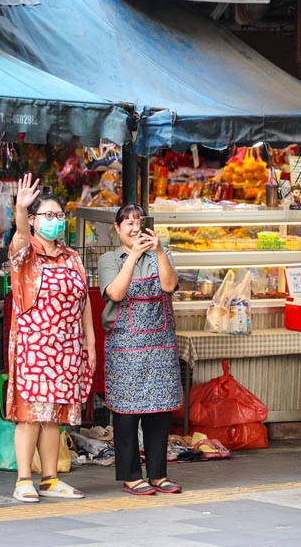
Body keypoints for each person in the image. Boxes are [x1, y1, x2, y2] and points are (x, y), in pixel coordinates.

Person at [7, 173, 96, 503]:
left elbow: (83, 301)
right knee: (30, 413)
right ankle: (23, 479)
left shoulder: (71, 256)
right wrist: (20, 208)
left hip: (68, 347)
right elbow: (17, 236)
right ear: (33, 220)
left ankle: (50, 478)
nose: (55, 221)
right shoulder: (26, 253)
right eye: (47, 215)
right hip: (35, 346)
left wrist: (89, 344)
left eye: (60, 216)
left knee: (55, 415)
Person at [98, 203, 184, 495]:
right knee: (126, 412)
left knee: (159, 411)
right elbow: (116, 292)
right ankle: (132, 475)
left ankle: (159, 474)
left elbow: (169, 285)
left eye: (139, 222)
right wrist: (133, 257)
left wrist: (159, 252)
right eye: (128, 224)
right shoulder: (109, 259)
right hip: (124, 345)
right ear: (117, 229)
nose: (135, 228)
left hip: (159, 344)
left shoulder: (162, 253)